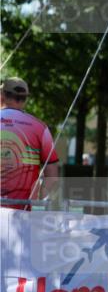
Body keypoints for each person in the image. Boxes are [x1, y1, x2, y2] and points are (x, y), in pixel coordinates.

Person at [1, 77, 58, 210]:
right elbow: (52, 176)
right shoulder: (40, 128)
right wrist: (39, 204)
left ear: (2, 95)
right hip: (23, 214)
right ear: (25, 99)